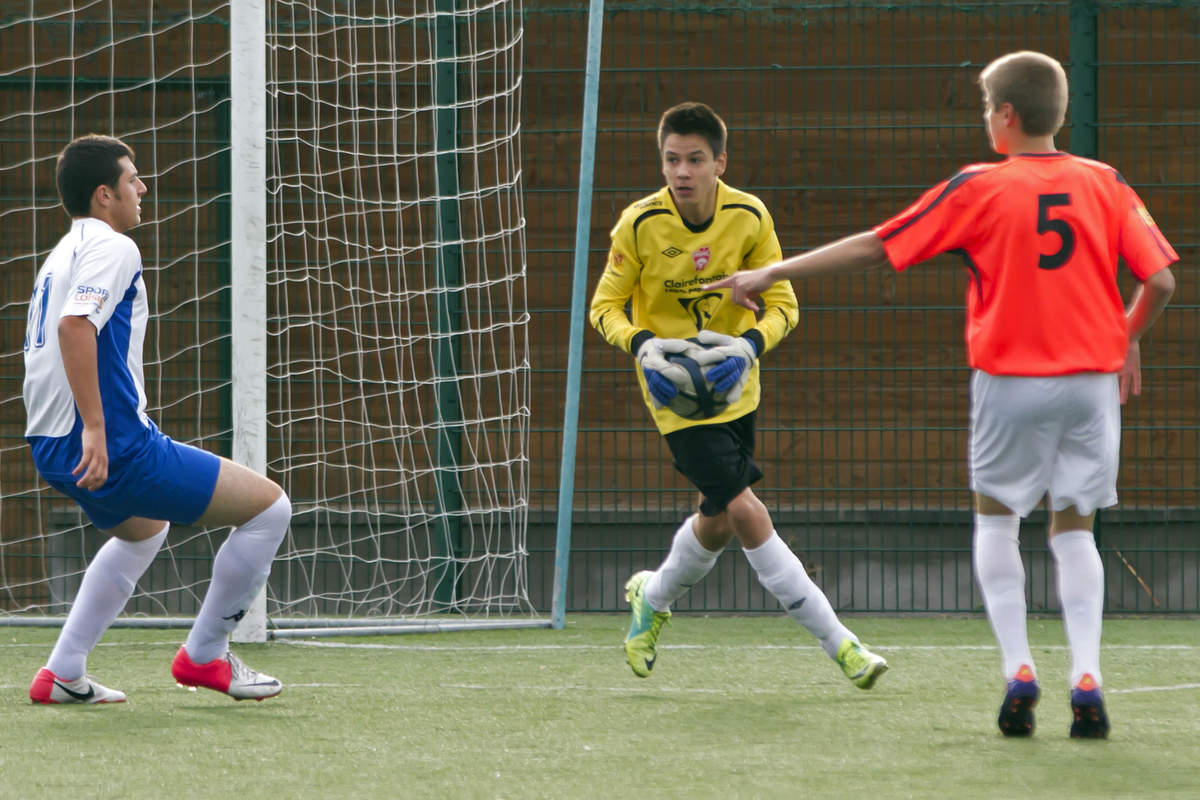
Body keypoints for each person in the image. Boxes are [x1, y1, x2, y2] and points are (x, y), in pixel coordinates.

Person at [707, 52, 1177, 738]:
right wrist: (1124, 334)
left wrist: (771, 272)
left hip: (1010, 382)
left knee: (997, 523)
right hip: (1091, 386)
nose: (986, 117)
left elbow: (877, 246)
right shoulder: (1105, 182)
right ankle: (1087, 676)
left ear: (1006, 116)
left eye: (987, 107)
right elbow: (1160, 281)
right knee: (1075, 528)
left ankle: (1019, 669)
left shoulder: (981, 187)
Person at [588, 101, 889, 690]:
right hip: (674, 397)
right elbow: (605, 307)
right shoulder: (639, 225)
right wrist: (643, 346)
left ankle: (652, 596)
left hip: (736, 389)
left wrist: (748, 348)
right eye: (672, 160)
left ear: (719, 162)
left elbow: (784, 306)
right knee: (748, 512)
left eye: (695, 159)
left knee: (720, 520)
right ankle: (842, 645)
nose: (682, 171)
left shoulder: (749, 217)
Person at [23, 134, 292, 704]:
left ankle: (62, 672)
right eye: (132, 179)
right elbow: (75, 328)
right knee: (270, 509)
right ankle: (205, 655)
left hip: (48, 444)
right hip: (113, 443)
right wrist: (96, 429)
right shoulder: (114, 247)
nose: (143, 188)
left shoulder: (60, 255)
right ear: (104, 194)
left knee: (144, 531)